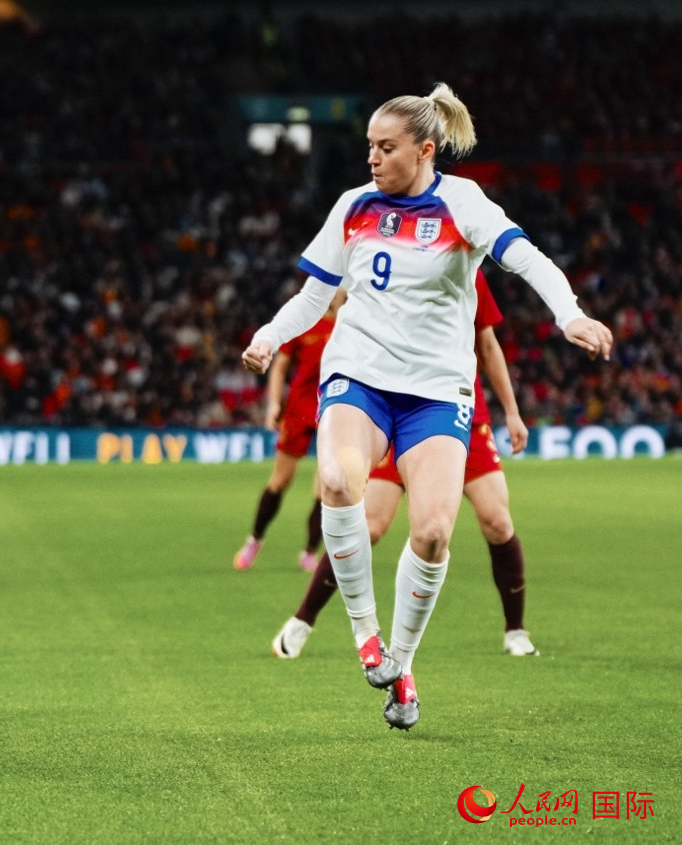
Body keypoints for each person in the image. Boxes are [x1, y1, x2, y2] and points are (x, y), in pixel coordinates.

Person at [242, 83, 612, 731]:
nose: (372, 158)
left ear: (424, 150)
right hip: (358, 375)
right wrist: (270, 336)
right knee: (337, 481)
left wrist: (570, 315)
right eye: (369, 147)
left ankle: (401, 664)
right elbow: (313, 296)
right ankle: (365, 634)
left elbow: (528, 260)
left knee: (434, 531)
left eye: (386, 148)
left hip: (437, 391)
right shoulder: (352, 205)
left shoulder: (462, 204)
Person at [273, 272, 540, 662]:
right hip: (393, 409)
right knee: (369, 526)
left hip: (455, 412)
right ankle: (303, 620)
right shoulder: (383, 257)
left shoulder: (467, 266)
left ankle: (515, 629)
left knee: (497, 520)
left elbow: (486, 342)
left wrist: (512, 412)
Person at [233, 291, 344, 573]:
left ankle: (309, 552)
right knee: (281, 480)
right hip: (299, 410)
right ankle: (255, 540)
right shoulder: (307, 320)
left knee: (327, 486)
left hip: (334, 409)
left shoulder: (352, 323)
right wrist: (273, 404)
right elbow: (280, 366)